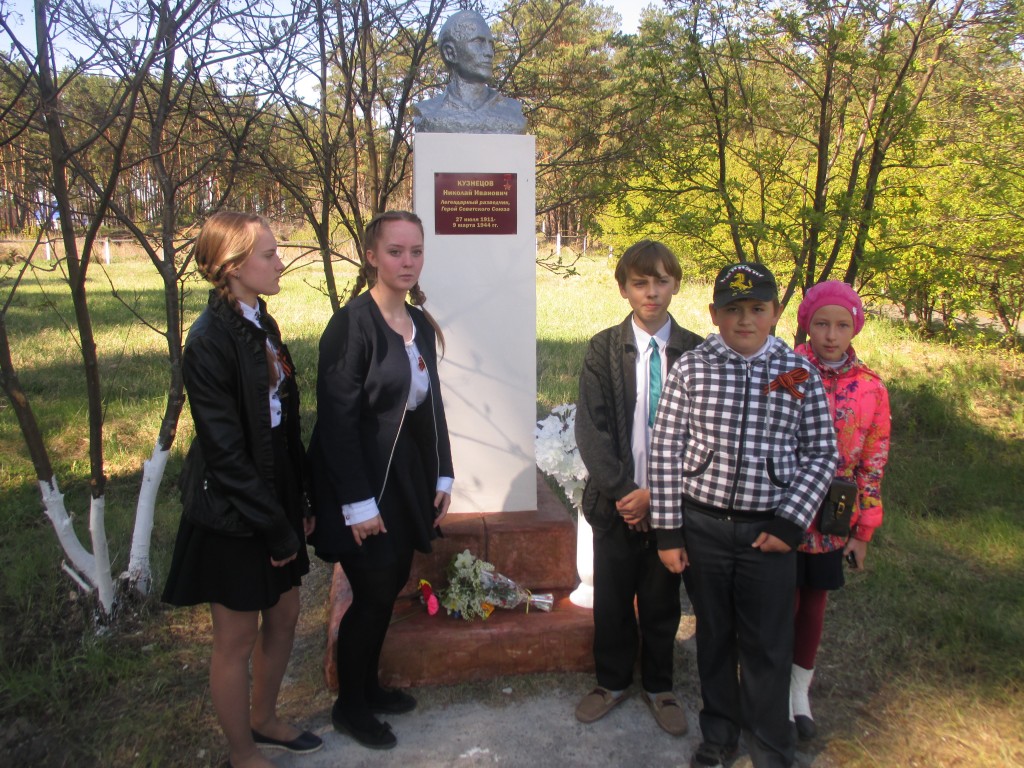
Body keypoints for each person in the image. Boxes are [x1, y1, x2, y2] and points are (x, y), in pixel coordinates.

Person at [649, 262, 838, 768]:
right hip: (704, 529)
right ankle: (719, 735)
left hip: (767, 534)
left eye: (757, 308)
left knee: (767, 645)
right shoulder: (693, 369)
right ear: (714, 314)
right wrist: (668, 532)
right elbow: (665, 449)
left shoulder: (798, 373)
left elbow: (821, 453)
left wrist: (790, 523)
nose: (745, 320)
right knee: (714, 637)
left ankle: (772, 745)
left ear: (775, 312)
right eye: (733, 309)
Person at [162, 211, 321, 768]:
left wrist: (301, 500)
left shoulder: (262, 322)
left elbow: (284, 425)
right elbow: (227, 454)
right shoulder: (208, 341)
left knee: (285, 614)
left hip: (276, 488)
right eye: (269, 255)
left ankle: (265, 717)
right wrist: (274, 528)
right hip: (234, 506)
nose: (281, 263)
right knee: (234, 638)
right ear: (232, 266)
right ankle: (241, 751)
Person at [307, 210, 454, 750]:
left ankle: (368, 688)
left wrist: (444, 471)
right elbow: (337, 423)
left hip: (402, 479)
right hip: (358, 483)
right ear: (372, 256)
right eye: (395, 251)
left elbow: (430, 406)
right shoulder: (352, 325)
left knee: (388, 587)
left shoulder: (418, 323)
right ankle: (350, 706)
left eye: (416, 251)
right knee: (371, 593)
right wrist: (357, 504)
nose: (407, 262)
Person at [573, 241, 703, 736]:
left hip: (671, 504)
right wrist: (625, 492)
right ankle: (611, 680)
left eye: (661, 281)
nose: (651, 292)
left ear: (676, 285)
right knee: (612, 601)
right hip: (616, 505)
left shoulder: (697, 352)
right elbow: (592, 430)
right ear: (623, 288)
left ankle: (659, 684)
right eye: (640, 283)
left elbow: (704, 435)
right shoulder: (603, 349)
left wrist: (658, 496)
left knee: (661, 601)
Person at [790, 281, 891, 740]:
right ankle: (770, 686)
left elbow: (873, 462)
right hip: (787, 505)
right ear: (807, 324)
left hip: (833, 513)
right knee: (780, 600)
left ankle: (799, 692)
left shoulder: (871, 388)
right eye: (821, 324)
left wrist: (863, 529)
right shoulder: (787, 372)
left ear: (855, 328)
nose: (831, 335)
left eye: (842, 326)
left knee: (814, 602)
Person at [411, 9, 527, 134]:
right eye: (478, 42)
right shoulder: (428, 112)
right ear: (450, 52)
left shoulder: (512, 111)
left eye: (491, 44)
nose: (489, 53)